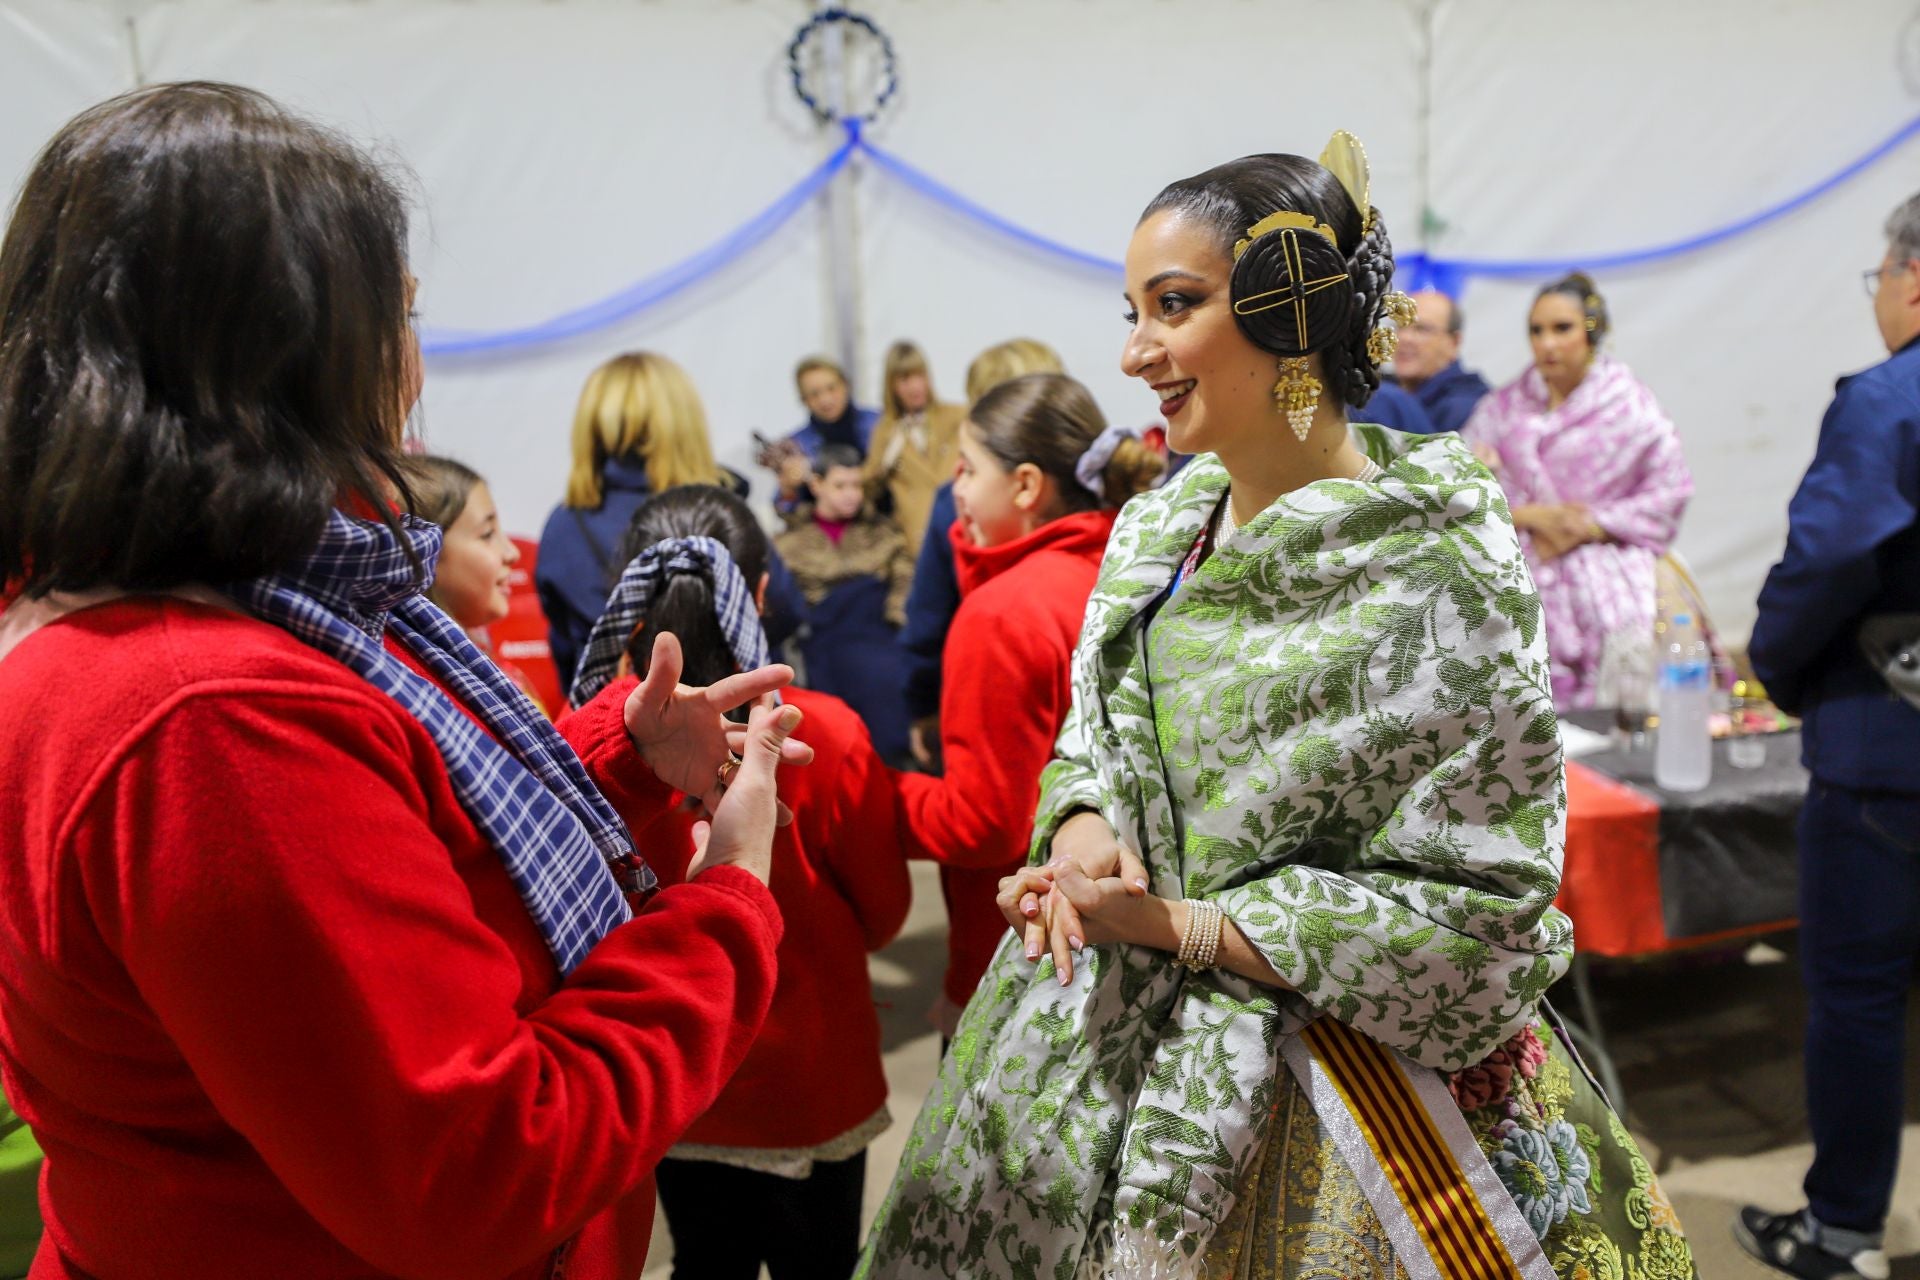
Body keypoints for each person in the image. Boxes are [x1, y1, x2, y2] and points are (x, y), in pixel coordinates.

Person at [0, 82, 811, 1280]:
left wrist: (617, 765)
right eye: (399, 318)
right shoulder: (212, 713)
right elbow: (480, 1164)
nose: (412, 365)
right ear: (291, 353)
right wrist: (731, 893)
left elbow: (391, 870)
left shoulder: (230, 609)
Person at [859, 138, 1695, 1279]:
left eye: (1174, 305)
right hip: (1087, 1034)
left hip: (1338, 1077)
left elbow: (1482, 897)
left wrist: (1179, 926)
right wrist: (1086, 833)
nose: (1135, 349)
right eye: (1133, 307)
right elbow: (1095, 732)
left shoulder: (1437, 564)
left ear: (1288, 314)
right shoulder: (1159, 527)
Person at [567, 485, 911, 1280]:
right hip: (813, 1079)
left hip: (675, 1072)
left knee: (704, 1260)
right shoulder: (817, 731)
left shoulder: (590, 751)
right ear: (759, 593)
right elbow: (886, 911)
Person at [1735, 193, 1920, 1280]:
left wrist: (1781, 668)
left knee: (1857, 991)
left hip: (1885, 746)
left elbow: (1828, 559)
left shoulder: (1891, 400)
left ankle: (1842, 1230)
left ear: (1911, 278)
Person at [893, 373, 1161, 1041]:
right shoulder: (1123, 564)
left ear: (1025, 485)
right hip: (1123, 921)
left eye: (967, 467)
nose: (954, 487)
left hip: (1029, 945)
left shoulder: (1003, 613)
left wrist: (863, 787)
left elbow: (983, 824)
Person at [1462, 273, 1694, 709]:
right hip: (1515, 554)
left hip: (1608, 555)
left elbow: (1671, 490)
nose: (1547, 343)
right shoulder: (1503, 407)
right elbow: (1461, 486)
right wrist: (1531, 518)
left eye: (1561, 328)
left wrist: (1590, 524)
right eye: (1537, 330)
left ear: (1591, 330)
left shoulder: (1629, 405)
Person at [537, 351, 803, 690]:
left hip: (616, 721)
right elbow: (785, 610)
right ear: (684, 422)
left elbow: (567, 649)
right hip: (734, 715)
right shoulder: (720, 511)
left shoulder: (565, 526)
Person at [898, 338, 1066, 770]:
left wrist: (923, 708)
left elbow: (928, 621)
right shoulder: (1097, 488)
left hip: (995, 709)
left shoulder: (956, 503)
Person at [777, 444, 914, 762]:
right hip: (826, 637)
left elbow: (905, 579)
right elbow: (785, 602)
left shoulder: (883, 535)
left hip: (880, 630)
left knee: (891, 679)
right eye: (840, 486)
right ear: (817, 485)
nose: (851, 495)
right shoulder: (790, 544)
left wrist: (898, 617)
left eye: (856, 485)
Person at [401, 454, 554, 715]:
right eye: (487, 535)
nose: (512, 553)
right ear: (426, 553)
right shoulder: (435, 697)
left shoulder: (483, 665)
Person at [863, 340, 966, 558]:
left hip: (962, 526)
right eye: (905, 379)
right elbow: (868, 490)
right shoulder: (885, 431)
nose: (915, 386)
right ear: (891, 385)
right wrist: (885, 462)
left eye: (920, 376)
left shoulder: (956, 417)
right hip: (917, 540)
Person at [771, 356, 880, 517]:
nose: (825, 399)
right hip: (823, 535)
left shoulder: (878, 425)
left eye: (831, 388)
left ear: (846, 385)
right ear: (804, 400)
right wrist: (788, 488)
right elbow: (784, 508)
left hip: (881, 525)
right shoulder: (796, 445)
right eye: (814, 394)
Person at [1396, 287, 1492, 433]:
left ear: (1454, 342)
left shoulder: (1467, 407)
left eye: (1422, 329)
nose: (1405, 338)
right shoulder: (1380, 389)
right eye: (1400, 326)